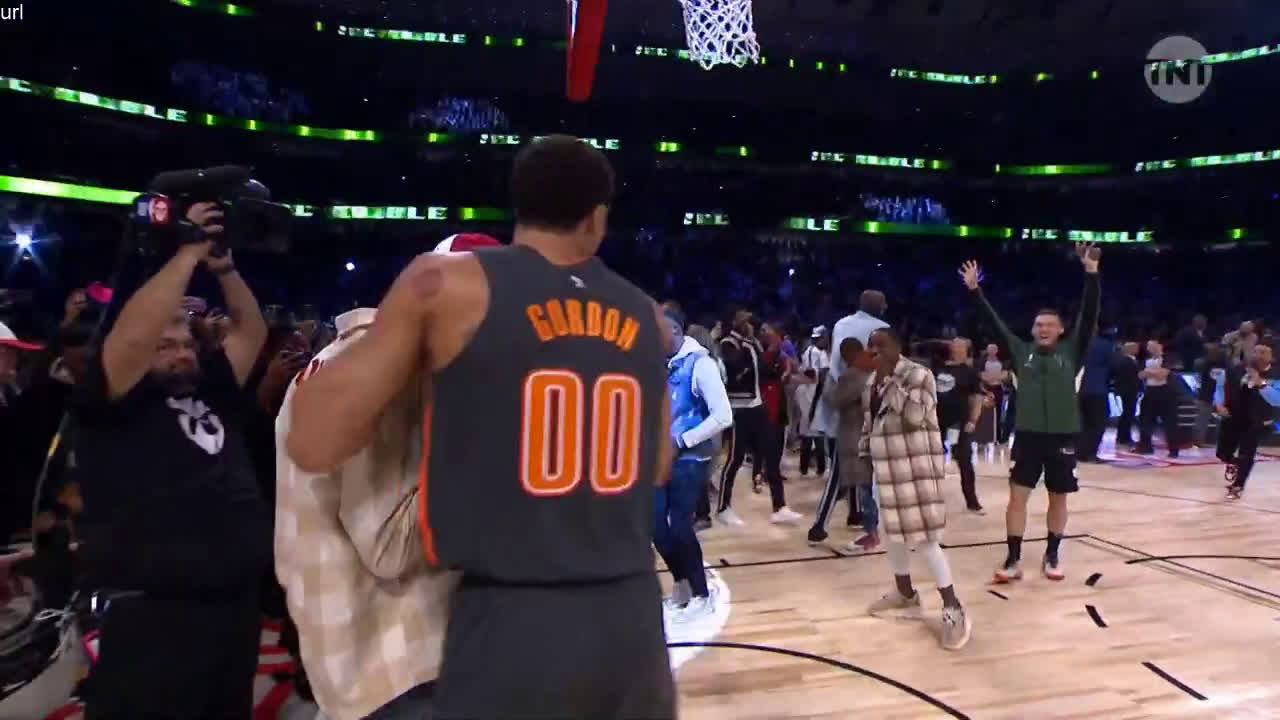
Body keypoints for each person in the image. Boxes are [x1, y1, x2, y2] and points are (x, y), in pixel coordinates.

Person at [285, 135, 676, 719]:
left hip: (513, 616)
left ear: (518, 205)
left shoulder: (447, 285)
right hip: (631, 617)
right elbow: (659, 464)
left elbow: (314, 443)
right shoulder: (647, 316)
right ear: (597, 218)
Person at [74, 202, 270, 720]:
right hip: (155, 615)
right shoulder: (111, 402)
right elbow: (131, 336)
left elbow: (251, 331)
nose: (182, 352)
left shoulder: (210, 391)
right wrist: (186, 253)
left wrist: (224, 268)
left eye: (185, 343)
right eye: (165, 346)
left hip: (232, 609)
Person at [276, 306, 462, 720]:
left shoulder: (342, 359)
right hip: (404, 663)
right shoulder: (389, 371)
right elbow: (388, 546)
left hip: (362, 654)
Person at [960, 242, 1100, 583]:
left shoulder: (1073, 351)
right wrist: (976, 291)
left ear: (1061, 329)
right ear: (1033, 329)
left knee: (1058, 498)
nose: (1043, 329)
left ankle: (1052, 554)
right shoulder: (1021, 351)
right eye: (1039, 325)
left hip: (1063, 436)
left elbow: (1089, 315)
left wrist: (1091, 274)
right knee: (1016, 498)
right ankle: (1013, 558)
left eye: (1050, 325)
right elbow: (993, 323)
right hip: (1027, 437)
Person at [861, 328, 971, 650]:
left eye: (881, 345)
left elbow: (913, 416)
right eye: (872, 345)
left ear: (897, 346)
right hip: (885, 470)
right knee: (890, 533)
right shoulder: (872, 382)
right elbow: (870, 424)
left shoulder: (918, 375)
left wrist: (891, 380)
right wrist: (864, 456)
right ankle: (905, 593)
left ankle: (953, 607)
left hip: (916, 471)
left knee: (925, 540)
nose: (875, 350)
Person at [657, 306, 732, 621]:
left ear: (674, 330)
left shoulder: (701, 364)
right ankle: (682, 582)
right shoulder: (657, 362)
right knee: (654, 523)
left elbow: (723, 416)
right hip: (658, 457)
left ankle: (701, 591)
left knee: (679, 525)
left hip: (690, 457)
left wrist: (682, 441)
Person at [807, 289, 889, 544]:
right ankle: (824, 524)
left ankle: (853, 516)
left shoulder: (842, 324)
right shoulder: (882, 331)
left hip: (845, 405)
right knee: (849, 470)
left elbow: (834, 373)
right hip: (864, 412)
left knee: (851, 467)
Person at [717, 310, 800, 525]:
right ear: (735, 321)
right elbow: (736, 370)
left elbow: (763, 370)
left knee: (771, 456)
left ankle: (779, 507)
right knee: (735, 459)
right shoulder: (728, 343)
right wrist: (751, 348)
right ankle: (723, 508)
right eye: (744, 319)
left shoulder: (751, 343)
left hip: (757, 406)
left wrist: (769, 355)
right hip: (739, 409)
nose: (749, 323)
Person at [831, 337, 876, 551]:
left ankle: (871, 532)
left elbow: (836, 400)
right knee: (869, 486)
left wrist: (829, 390)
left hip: (856, 434)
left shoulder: (853, 376)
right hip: (874, 434)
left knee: (865, 487)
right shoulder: (876, 371)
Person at [1217, 343, 1279, 500]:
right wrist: (1218, 404)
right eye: (1256, 351)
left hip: (1256, 420)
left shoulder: (1276, 375)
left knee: (1246, 454)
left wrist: (1261, 384)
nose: (1259, 355)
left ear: (1270, 357)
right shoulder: (1234, 370)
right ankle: (1234, 462)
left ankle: (1238, 486)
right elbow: (1220, 388)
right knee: (1222, 453)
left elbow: (1277, 400)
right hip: (1232, 416)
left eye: (1263, 352)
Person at [933, 337, 985, 513]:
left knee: (964, 462)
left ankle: (972, 502)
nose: (956, 348)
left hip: (959, 423)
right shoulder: (937, 368)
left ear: (966, 349)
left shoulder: (970, 372)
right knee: (930, 462)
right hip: (936, 423)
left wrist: (973, 420)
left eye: (960, 346)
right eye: (954, 345)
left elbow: (976, 398)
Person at [1136, 339, 1180, 459]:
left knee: (1169, 422)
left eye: (1153, 346)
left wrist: (1148, 373)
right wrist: (1154, 373)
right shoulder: (1145, 360)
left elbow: (1162, 375)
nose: (1150, 348)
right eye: (1149, 346)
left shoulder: (1167, 358)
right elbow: (1140, 375)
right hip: (1150, 391)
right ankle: (1145, 447)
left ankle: (1173, 450)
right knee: (1146, 420)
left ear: (1159, 346)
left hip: (1165, 393)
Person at [797, 326, 831, 476]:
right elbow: (820, 375)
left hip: (806, 392)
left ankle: (804, 467)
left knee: (807, 431)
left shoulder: (808, 351)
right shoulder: (819, 352)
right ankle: (820, 468)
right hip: (814, 393)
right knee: (816, 432)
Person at [1077, 330, 1115, 462]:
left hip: (1080, 388)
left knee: (1083, 422)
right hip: (1098, 389)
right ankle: (1090, 453)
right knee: (1098, 423)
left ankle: (1080, 453)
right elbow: (1112, 365)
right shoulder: (1105, 345)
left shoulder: (1079, 344)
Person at [1111, 341, 1141, 447]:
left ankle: (1123, 437)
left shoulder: (1129, 360)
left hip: (1130, 391)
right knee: (1128, 414)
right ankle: (1124, 438)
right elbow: (1129, 377)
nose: (1137, 349)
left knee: (1128, 413)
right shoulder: (1125, 361)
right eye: (1135, 347)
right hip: (1128, 391)